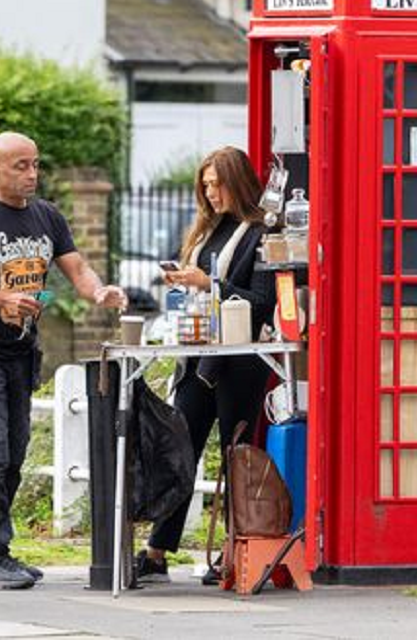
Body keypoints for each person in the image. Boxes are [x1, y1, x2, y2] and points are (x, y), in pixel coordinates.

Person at [0, 131, 127, 590]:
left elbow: (77, 268)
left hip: (22, 349)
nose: (31, 174)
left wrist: (100, 291)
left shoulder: (47, 216)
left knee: (15, 452)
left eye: (35, 164)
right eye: (20, 166)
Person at [132, 146, 277, 585]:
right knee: (179, 451)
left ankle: (237, 553)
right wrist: (185, 282)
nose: (211, 193)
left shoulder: (261, 233)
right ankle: (157, 552)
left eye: (218, 184)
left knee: (236, 458)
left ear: (239, 182)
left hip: (240, 361)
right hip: (198, 356)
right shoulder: (205, 231)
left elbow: (263, 303)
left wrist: (211, 282)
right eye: (206, 185)